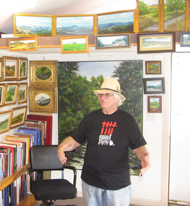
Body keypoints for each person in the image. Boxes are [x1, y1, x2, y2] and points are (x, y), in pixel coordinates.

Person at [57, 78, 150, 206]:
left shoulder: (127, 121)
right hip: (91, 180)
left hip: (117, 183)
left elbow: (138, 146)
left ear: (117, 99)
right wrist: (62, 146)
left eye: (108, 94)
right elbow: (75, 140)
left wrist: (144, 157)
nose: (103, 97)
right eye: (101, 94)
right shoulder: (91, 118)